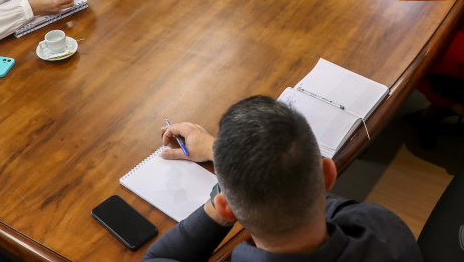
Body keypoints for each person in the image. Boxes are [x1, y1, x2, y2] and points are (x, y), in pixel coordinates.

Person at [143, 96, 423, 261]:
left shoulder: (226, 208)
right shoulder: (387, 230)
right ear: (328, 174)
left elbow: (155, 259)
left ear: (225, 207)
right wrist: (223, 154)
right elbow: (295, 186)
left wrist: (228, 166)